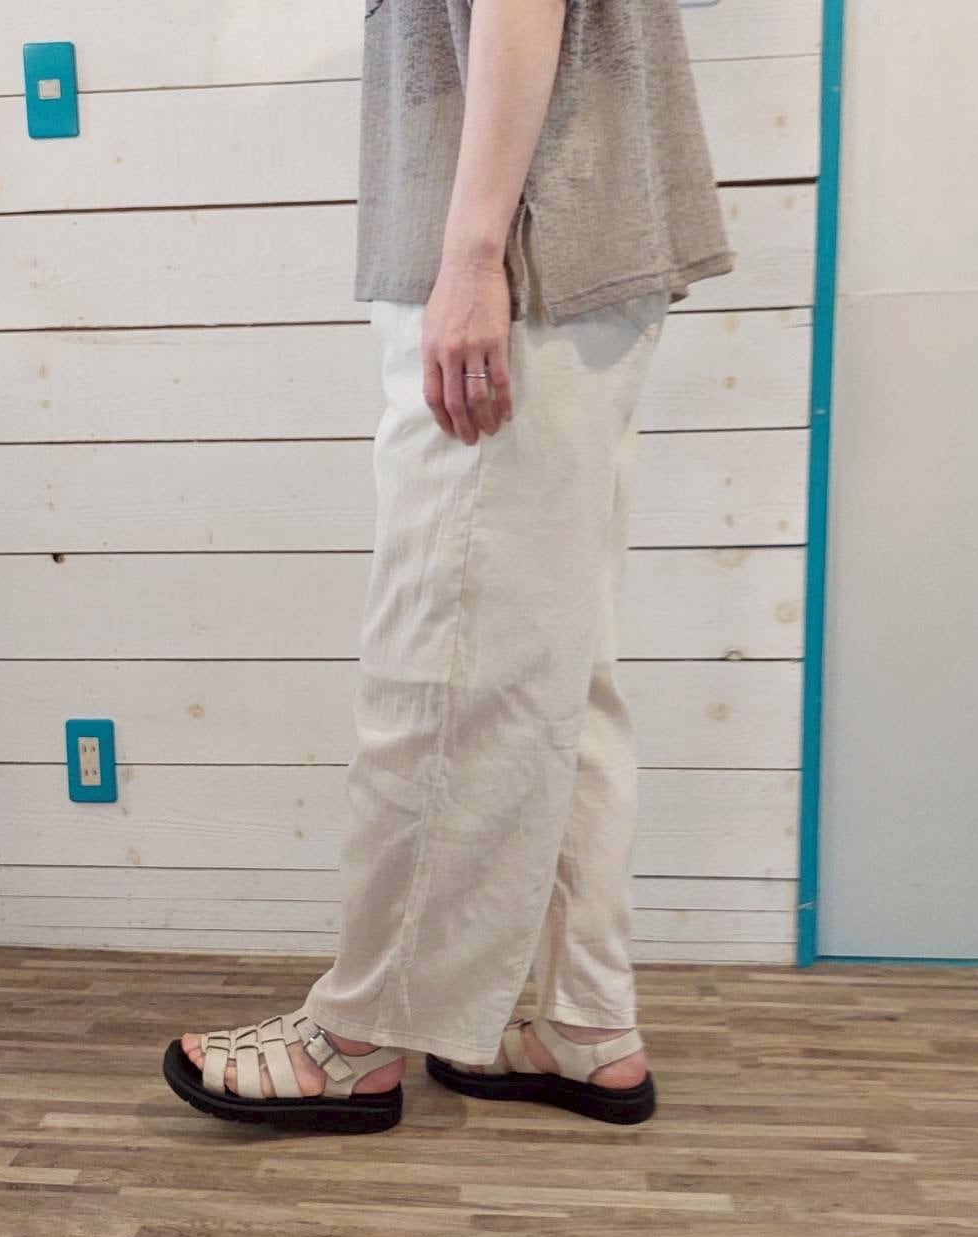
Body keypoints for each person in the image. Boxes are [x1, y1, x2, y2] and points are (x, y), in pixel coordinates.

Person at [162, 0, 733, 1134]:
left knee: (441, 665)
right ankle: (585, 1020)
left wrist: (471, 255)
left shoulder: (489, 257)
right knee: (560, 671)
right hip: (577, 247)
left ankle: (356, 1035)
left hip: (518, 258)